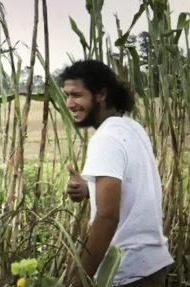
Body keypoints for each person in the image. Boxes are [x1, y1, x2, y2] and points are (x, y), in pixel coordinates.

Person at [60, 60, 173, 287]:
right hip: (152, 264)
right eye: (67, 95)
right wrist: (90, 188)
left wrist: (79, 280)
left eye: (77, 95)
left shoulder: (106, 139)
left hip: (127, 269)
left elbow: (107, 217)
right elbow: (134, 187)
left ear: (101, 94)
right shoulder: (132, 127)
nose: (69, 103)